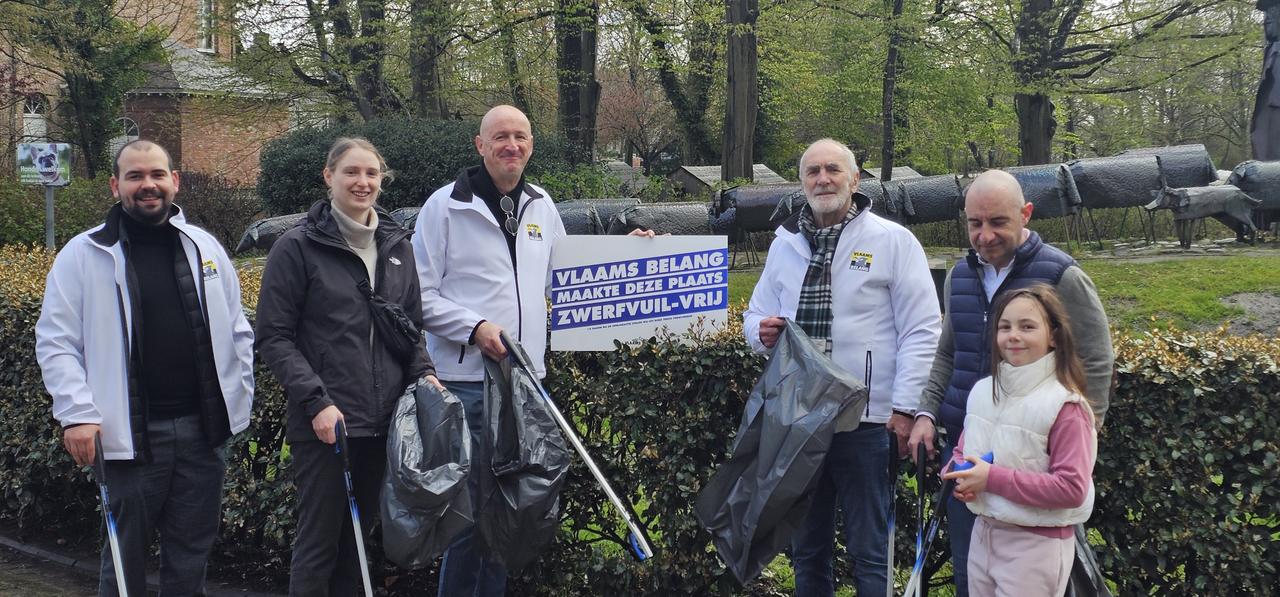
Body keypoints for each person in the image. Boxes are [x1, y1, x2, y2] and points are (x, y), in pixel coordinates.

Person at [413, 105, 653, 596]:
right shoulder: (443, 206)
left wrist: (623, 252)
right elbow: (418, 296)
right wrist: (474, 327)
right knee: (468, 517)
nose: (511, 146)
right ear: (480, 145)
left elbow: (563, 277)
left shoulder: (541, 205)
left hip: (525, 384)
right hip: (467, 385)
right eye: (500, 137)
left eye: (520, 137)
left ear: (531, 146)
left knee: (507, 512)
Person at [35, 139, 255, 596]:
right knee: (122, 559)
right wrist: (76, 413)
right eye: (135, 176)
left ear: (175, 181)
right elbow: (56, 342)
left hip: (203, 432)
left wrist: (241, 395)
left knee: (192, 554)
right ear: (116, 186)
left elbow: (238, 329)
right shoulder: (83, 253)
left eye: (157, 174)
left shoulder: (205, 248)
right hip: (129, 436)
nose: (147, 185)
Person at [743, 138, 941, 596]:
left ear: (855, 179)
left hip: (867, 422)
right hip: (800, 420)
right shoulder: (784, 245)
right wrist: (760, 331)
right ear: (801, 183)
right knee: (807, 548)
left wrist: (906, 407)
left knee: (870, 549)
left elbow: (922, 329)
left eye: (833, 169)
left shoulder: (892, 242)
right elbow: (754, 316)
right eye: (812, 171)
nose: (822, 179)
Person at [908, 169, 1113, 596]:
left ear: (1026, 214)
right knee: (972, 574)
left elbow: (1095, 359)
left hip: (1032, 457)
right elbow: (949, 352)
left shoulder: (1062, 275)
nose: (984, 235)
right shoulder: (960, 276)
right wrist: (926, 411)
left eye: (998, 222)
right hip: (967, 448)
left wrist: (1079, 434)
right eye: (974, 223)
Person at [255, 137, 437, 595]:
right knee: (319, 544)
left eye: (371, 174)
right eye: (351, 172)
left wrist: (425, 375)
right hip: (324, 423)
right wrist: (316, 402)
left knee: (358, 543)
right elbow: (273, 337)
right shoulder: (296, 247)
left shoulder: (397, 246)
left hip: (382, 424)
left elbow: (408, 327)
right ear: (328, 176)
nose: (362, 182)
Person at [942, 284, 1097, 596]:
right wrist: (957, 473)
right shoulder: (983, 391)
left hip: (1036, 546)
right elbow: (965, 448)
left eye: (1027, 327)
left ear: (1053, 336)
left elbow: (1072, 488)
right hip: (983, 534)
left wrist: (990, 479)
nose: (1013, 336)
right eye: (1004, 326)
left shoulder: (1065, 406)